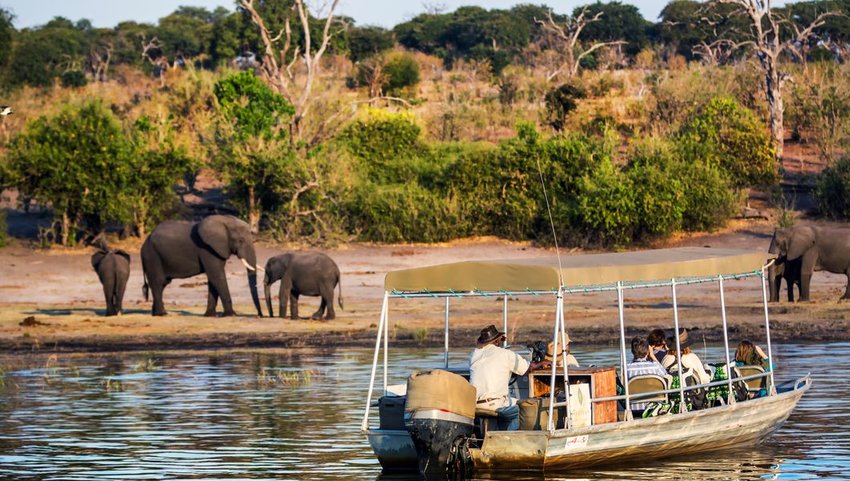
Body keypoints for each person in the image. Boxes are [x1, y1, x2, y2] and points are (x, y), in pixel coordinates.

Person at [469, 324, 550, 430]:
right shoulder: (505, 354)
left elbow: (492, 367)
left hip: (475, 405)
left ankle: (497, 433)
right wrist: (542, 363)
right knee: (524, 409)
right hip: (494, 404)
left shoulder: (474, 355)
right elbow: (529, 367)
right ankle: (508, 437)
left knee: (509, 403)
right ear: (497, 341)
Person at [626, 336, 668, 416]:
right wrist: (652, 356)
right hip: (654, 409)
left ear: (632, 351)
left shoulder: (627, 368)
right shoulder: (655, 366)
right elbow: (666, 375)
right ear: (648, 351)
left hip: (634, 410)